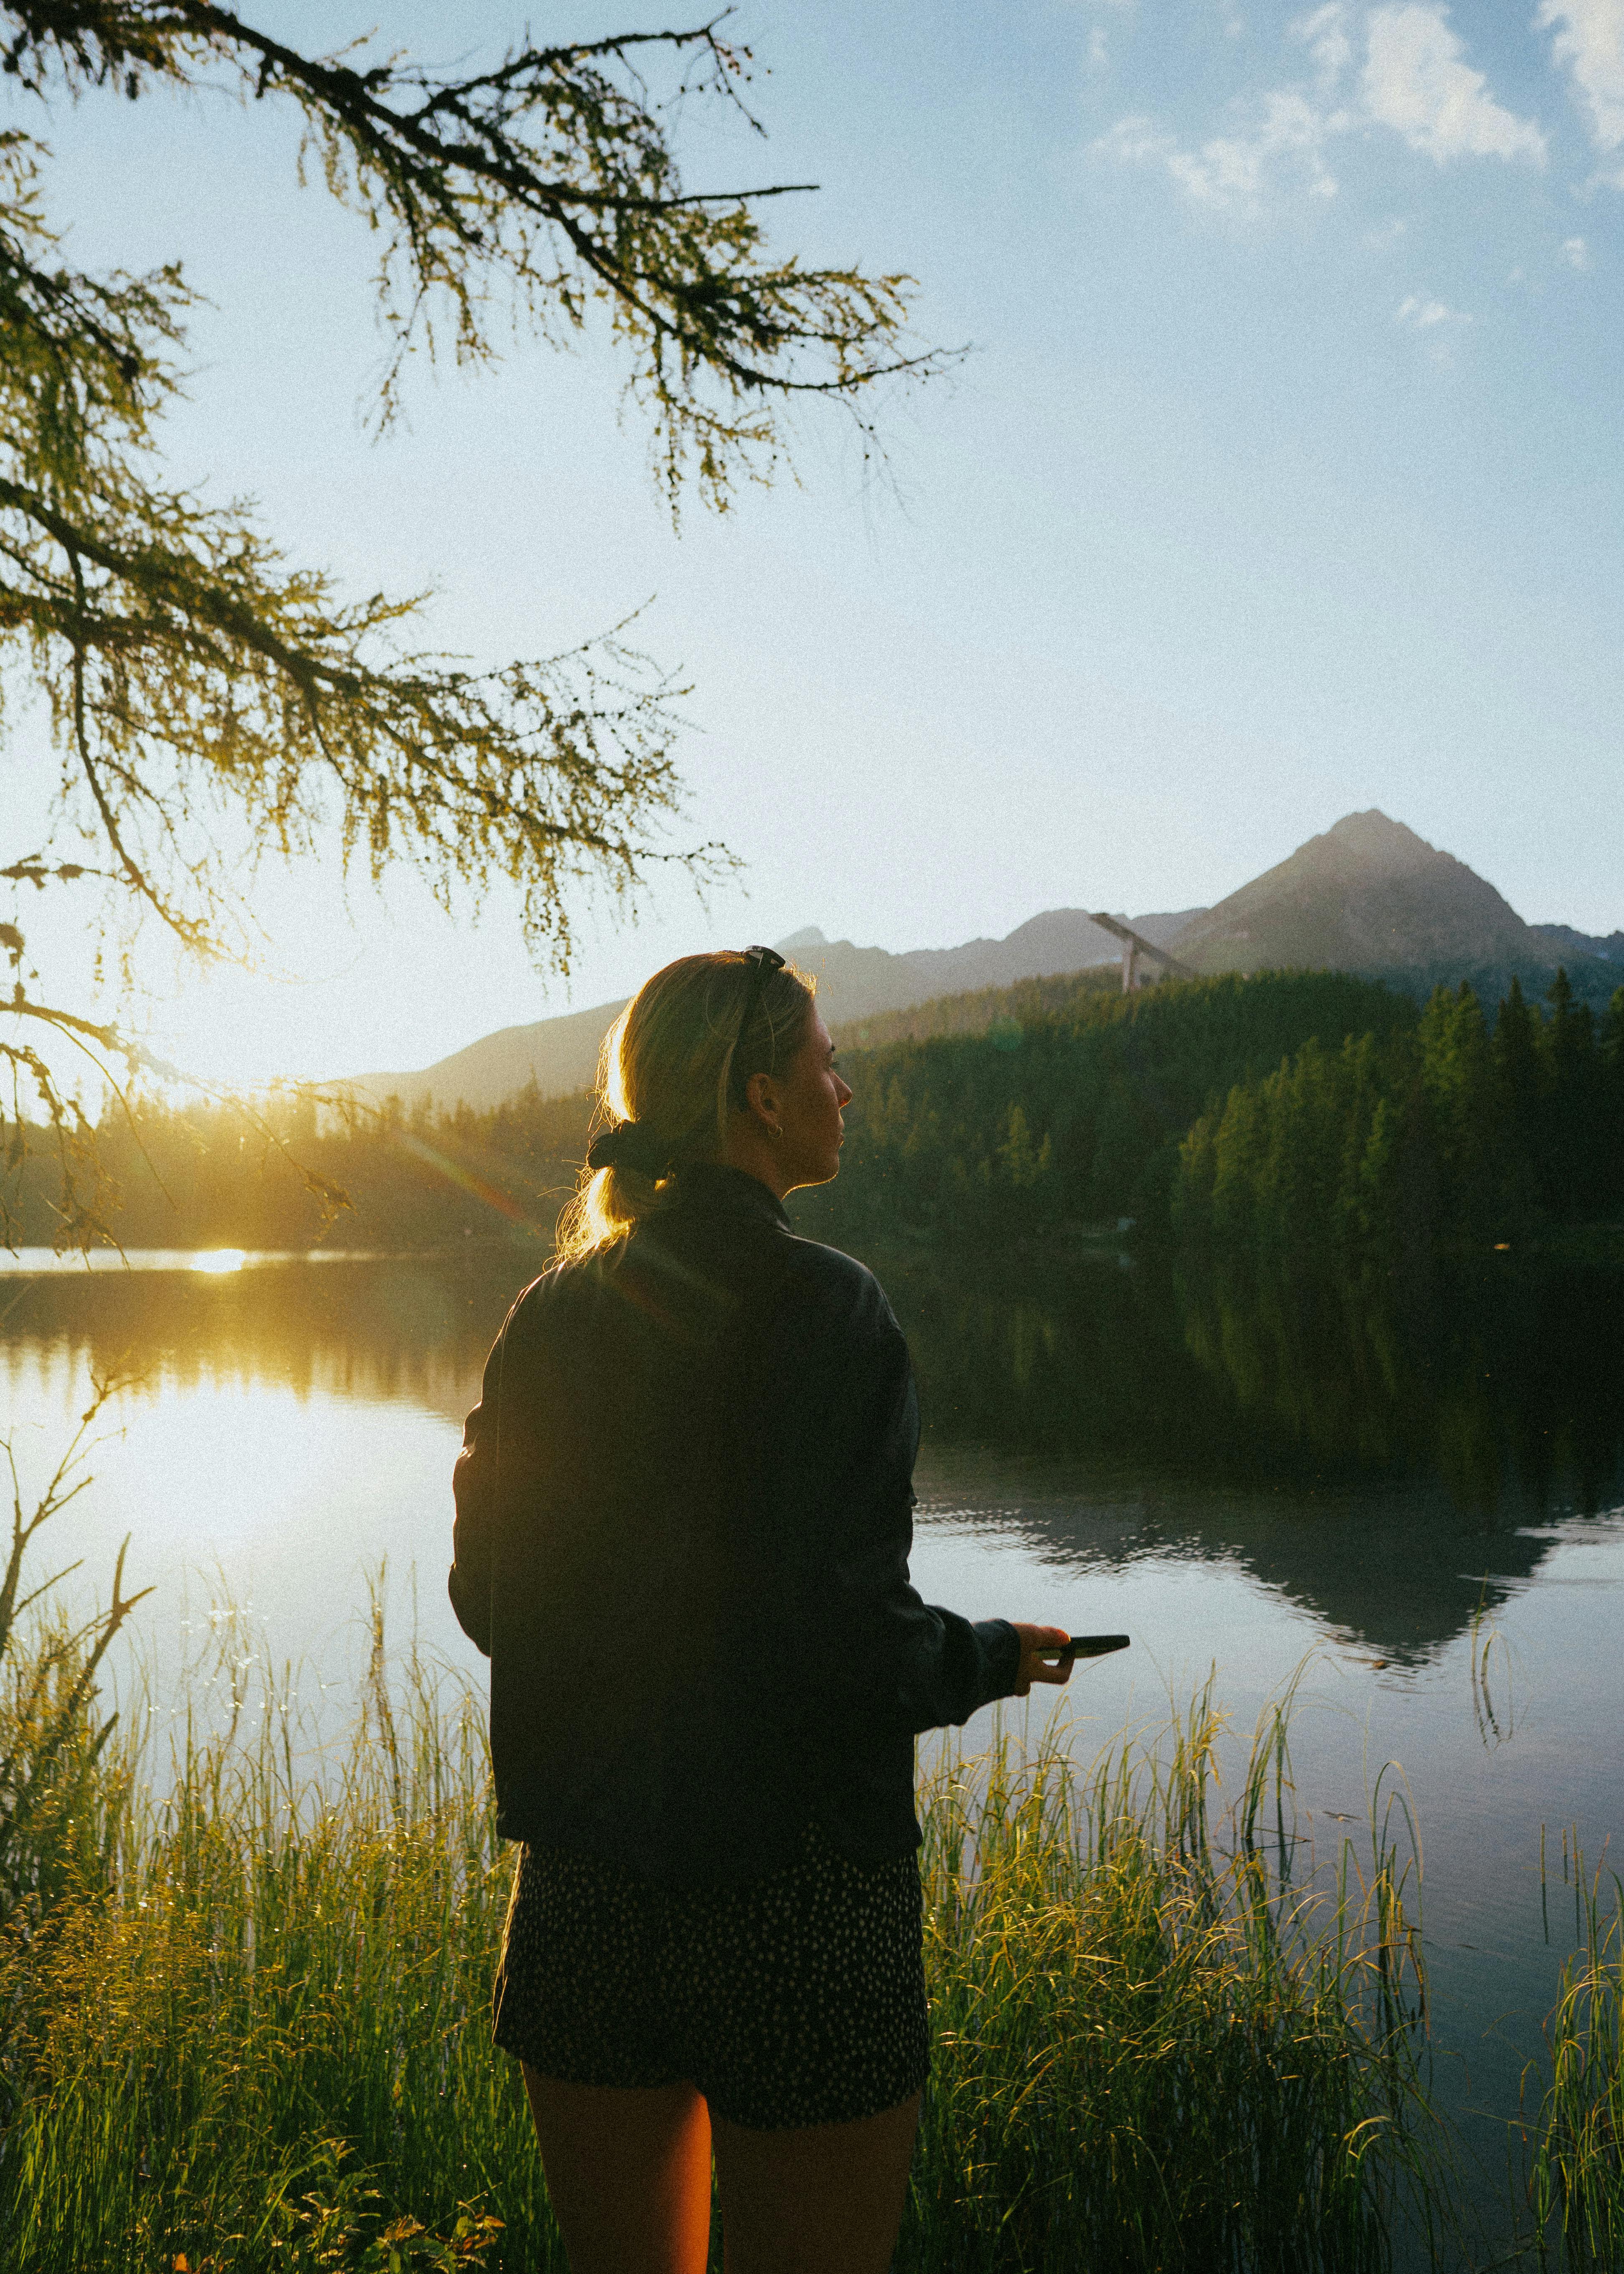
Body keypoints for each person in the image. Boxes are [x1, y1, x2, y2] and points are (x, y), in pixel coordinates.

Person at [448, 947, 1075, 2274]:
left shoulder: (545, 1318)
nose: (846, 1089)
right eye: (825, 1066)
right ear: (761, 1100)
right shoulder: (832, 1309)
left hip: (588, 1900)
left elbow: (491, 1604)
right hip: (797, 1899)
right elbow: (840, 1645)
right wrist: (987, 1657)